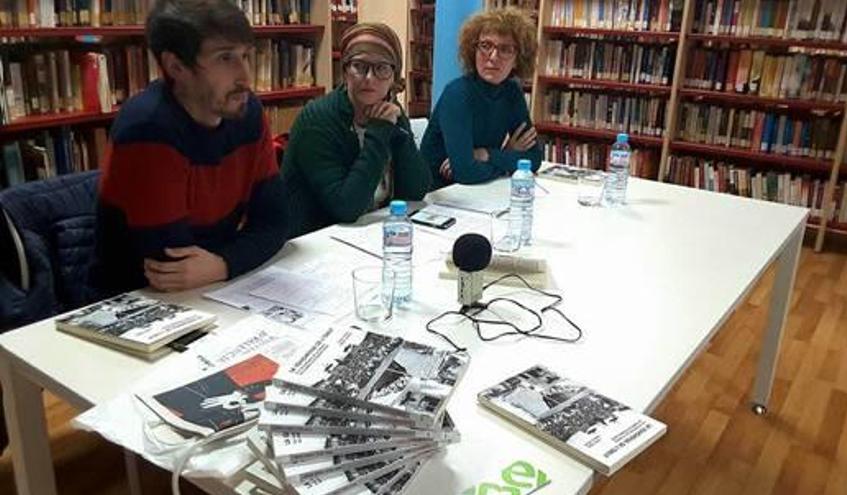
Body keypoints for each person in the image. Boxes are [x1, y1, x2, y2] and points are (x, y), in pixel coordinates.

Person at [92, 0, 289, 294]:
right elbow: (172, 266)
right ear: (176, 67)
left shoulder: (247, 114)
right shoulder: (148, 128)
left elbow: (277, 223)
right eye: (225, 58)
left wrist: (222, 263)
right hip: (138, 303)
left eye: (246, 55)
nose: (246, 77)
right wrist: (234, 256)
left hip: (209, 288)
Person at [281, 23, 431, 238]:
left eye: (382, 68)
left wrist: (398, 132)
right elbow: (346, 207)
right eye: (359, 66)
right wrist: (379, 133)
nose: (369, 78)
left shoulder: (390, 110)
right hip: (317, 241)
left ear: (393, 77)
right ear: (344, 71)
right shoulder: (318, 118)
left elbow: (416, 191)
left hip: (367, 232)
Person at [420, 7, 542, 187]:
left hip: (480, 191)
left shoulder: (512, 92)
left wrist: (486, 154)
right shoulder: (457, 94)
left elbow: (533, 159)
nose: (492, 57)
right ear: (473, 50)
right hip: (437, 196)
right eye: (485, 46)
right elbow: (465, 172)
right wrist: (506, 156)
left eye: (505, 49)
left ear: (518, 58)